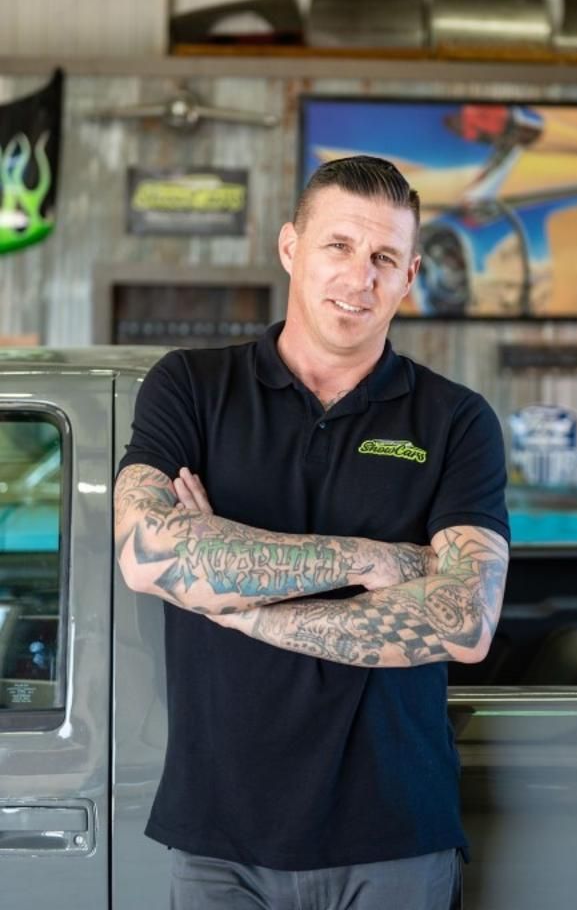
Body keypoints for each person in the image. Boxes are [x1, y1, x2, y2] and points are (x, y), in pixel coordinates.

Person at [114, 155, 510, 910]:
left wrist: (231, 595)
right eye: (339, 246)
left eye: (384, 257)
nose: (360, 277)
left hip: (394, 833)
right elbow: (146, 552)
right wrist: (367, 558)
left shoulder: (456, 420)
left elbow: (464, 621)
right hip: (220, 836)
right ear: (291, 247)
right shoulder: (192, 387)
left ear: (410, 274)